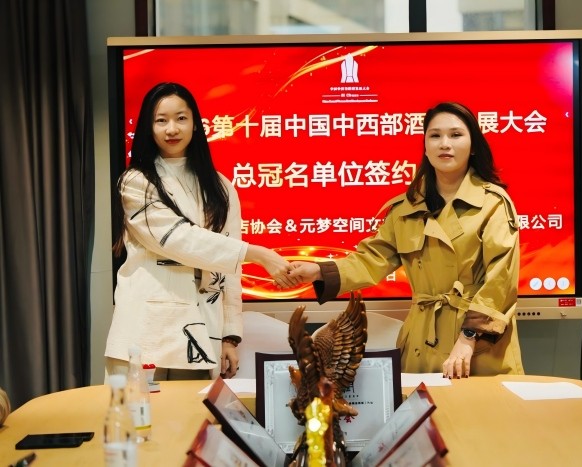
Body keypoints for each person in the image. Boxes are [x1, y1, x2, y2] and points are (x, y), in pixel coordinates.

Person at [286, 102, 524, 379]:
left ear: (473, 146)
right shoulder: (406, 208)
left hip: (477, 343)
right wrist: (318, 271)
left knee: (478, 406)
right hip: (422, 340)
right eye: (435, 135)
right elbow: (372, 258)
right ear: (425, 146)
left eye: (456, 135)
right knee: (422, 407)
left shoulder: (492, 203)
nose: (444, 144)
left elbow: (501, 280)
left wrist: (469, 336)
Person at [105, 82, 295, 381]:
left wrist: (230, 336)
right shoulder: (135, 182)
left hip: (203, 326)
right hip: (146, 326)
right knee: (136, 409)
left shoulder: (220, 187)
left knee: (194, 409)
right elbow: (179, 239)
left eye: (181, 118)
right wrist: (257, 254)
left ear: (195, 123)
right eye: (161, 120)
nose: (172, 129)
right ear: (148, 128)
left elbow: (229, 271)